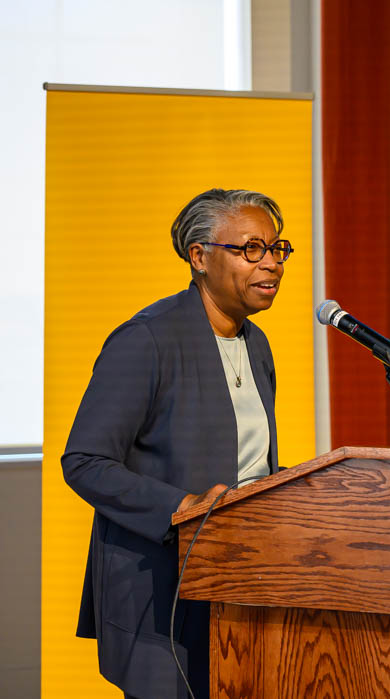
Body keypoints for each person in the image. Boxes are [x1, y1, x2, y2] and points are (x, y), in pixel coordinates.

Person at [61, 188, 295, 699]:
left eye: (277, 249)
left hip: (242, 582)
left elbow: (252, 464)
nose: (271, 264)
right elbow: (84, 461)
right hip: (160, 591)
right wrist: (181, 508)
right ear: (199, 256)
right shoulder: (146, 340)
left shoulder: (257, 344)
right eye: (251, 249)